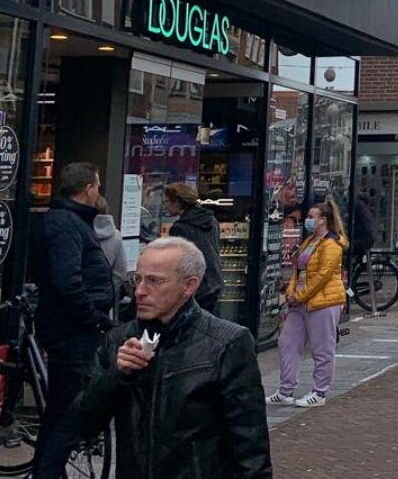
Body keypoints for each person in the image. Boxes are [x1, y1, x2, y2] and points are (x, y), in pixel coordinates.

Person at [69, 238, 271, 478]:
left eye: (154, 281)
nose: (140, 291)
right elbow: (80, 425)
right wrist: (116, 375)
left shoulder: (227, 343)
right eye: (137, 279)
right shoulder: (118, 341)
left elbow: (249, 440)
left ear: (189, 286)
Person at [31, 163, 117, 479]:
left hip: (68, 328)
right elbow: (67, 280)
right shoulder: (66, 224)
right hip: (72, 332)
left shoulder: (67, 221)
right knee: (68, 414)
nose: (99, 192)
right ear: (89, 189)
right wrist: (93, 318)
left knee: (62, 414)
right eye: (97, 185)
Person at [269, 200, 348, 408]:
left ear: (323, 220)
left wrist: (300, 294)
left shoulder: (332, 244)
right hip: (301, 301)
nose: (308, 221)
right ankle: (286, 389)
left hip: (323, 301)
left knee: (322, 348)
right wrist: (292, 291)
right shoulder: (310, 241)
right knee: (287, 342)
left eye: (312, 217)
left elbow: (322, 276)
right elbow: (298, 269)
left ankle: (319, 391)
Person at [162, 183, 224, 315]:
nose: (166, 205)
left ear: (177, 202)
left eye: (167, 201)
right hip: (214, 280)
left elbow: (178, 260)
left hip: (196, 285)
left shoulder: (180, 227)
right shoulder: (211, 220)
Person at [91, 195, 128, 319]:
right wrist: (108, 290)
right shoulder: (116, 236)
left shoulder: (78, 231)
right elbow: (120, 271)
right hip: (104, 300)